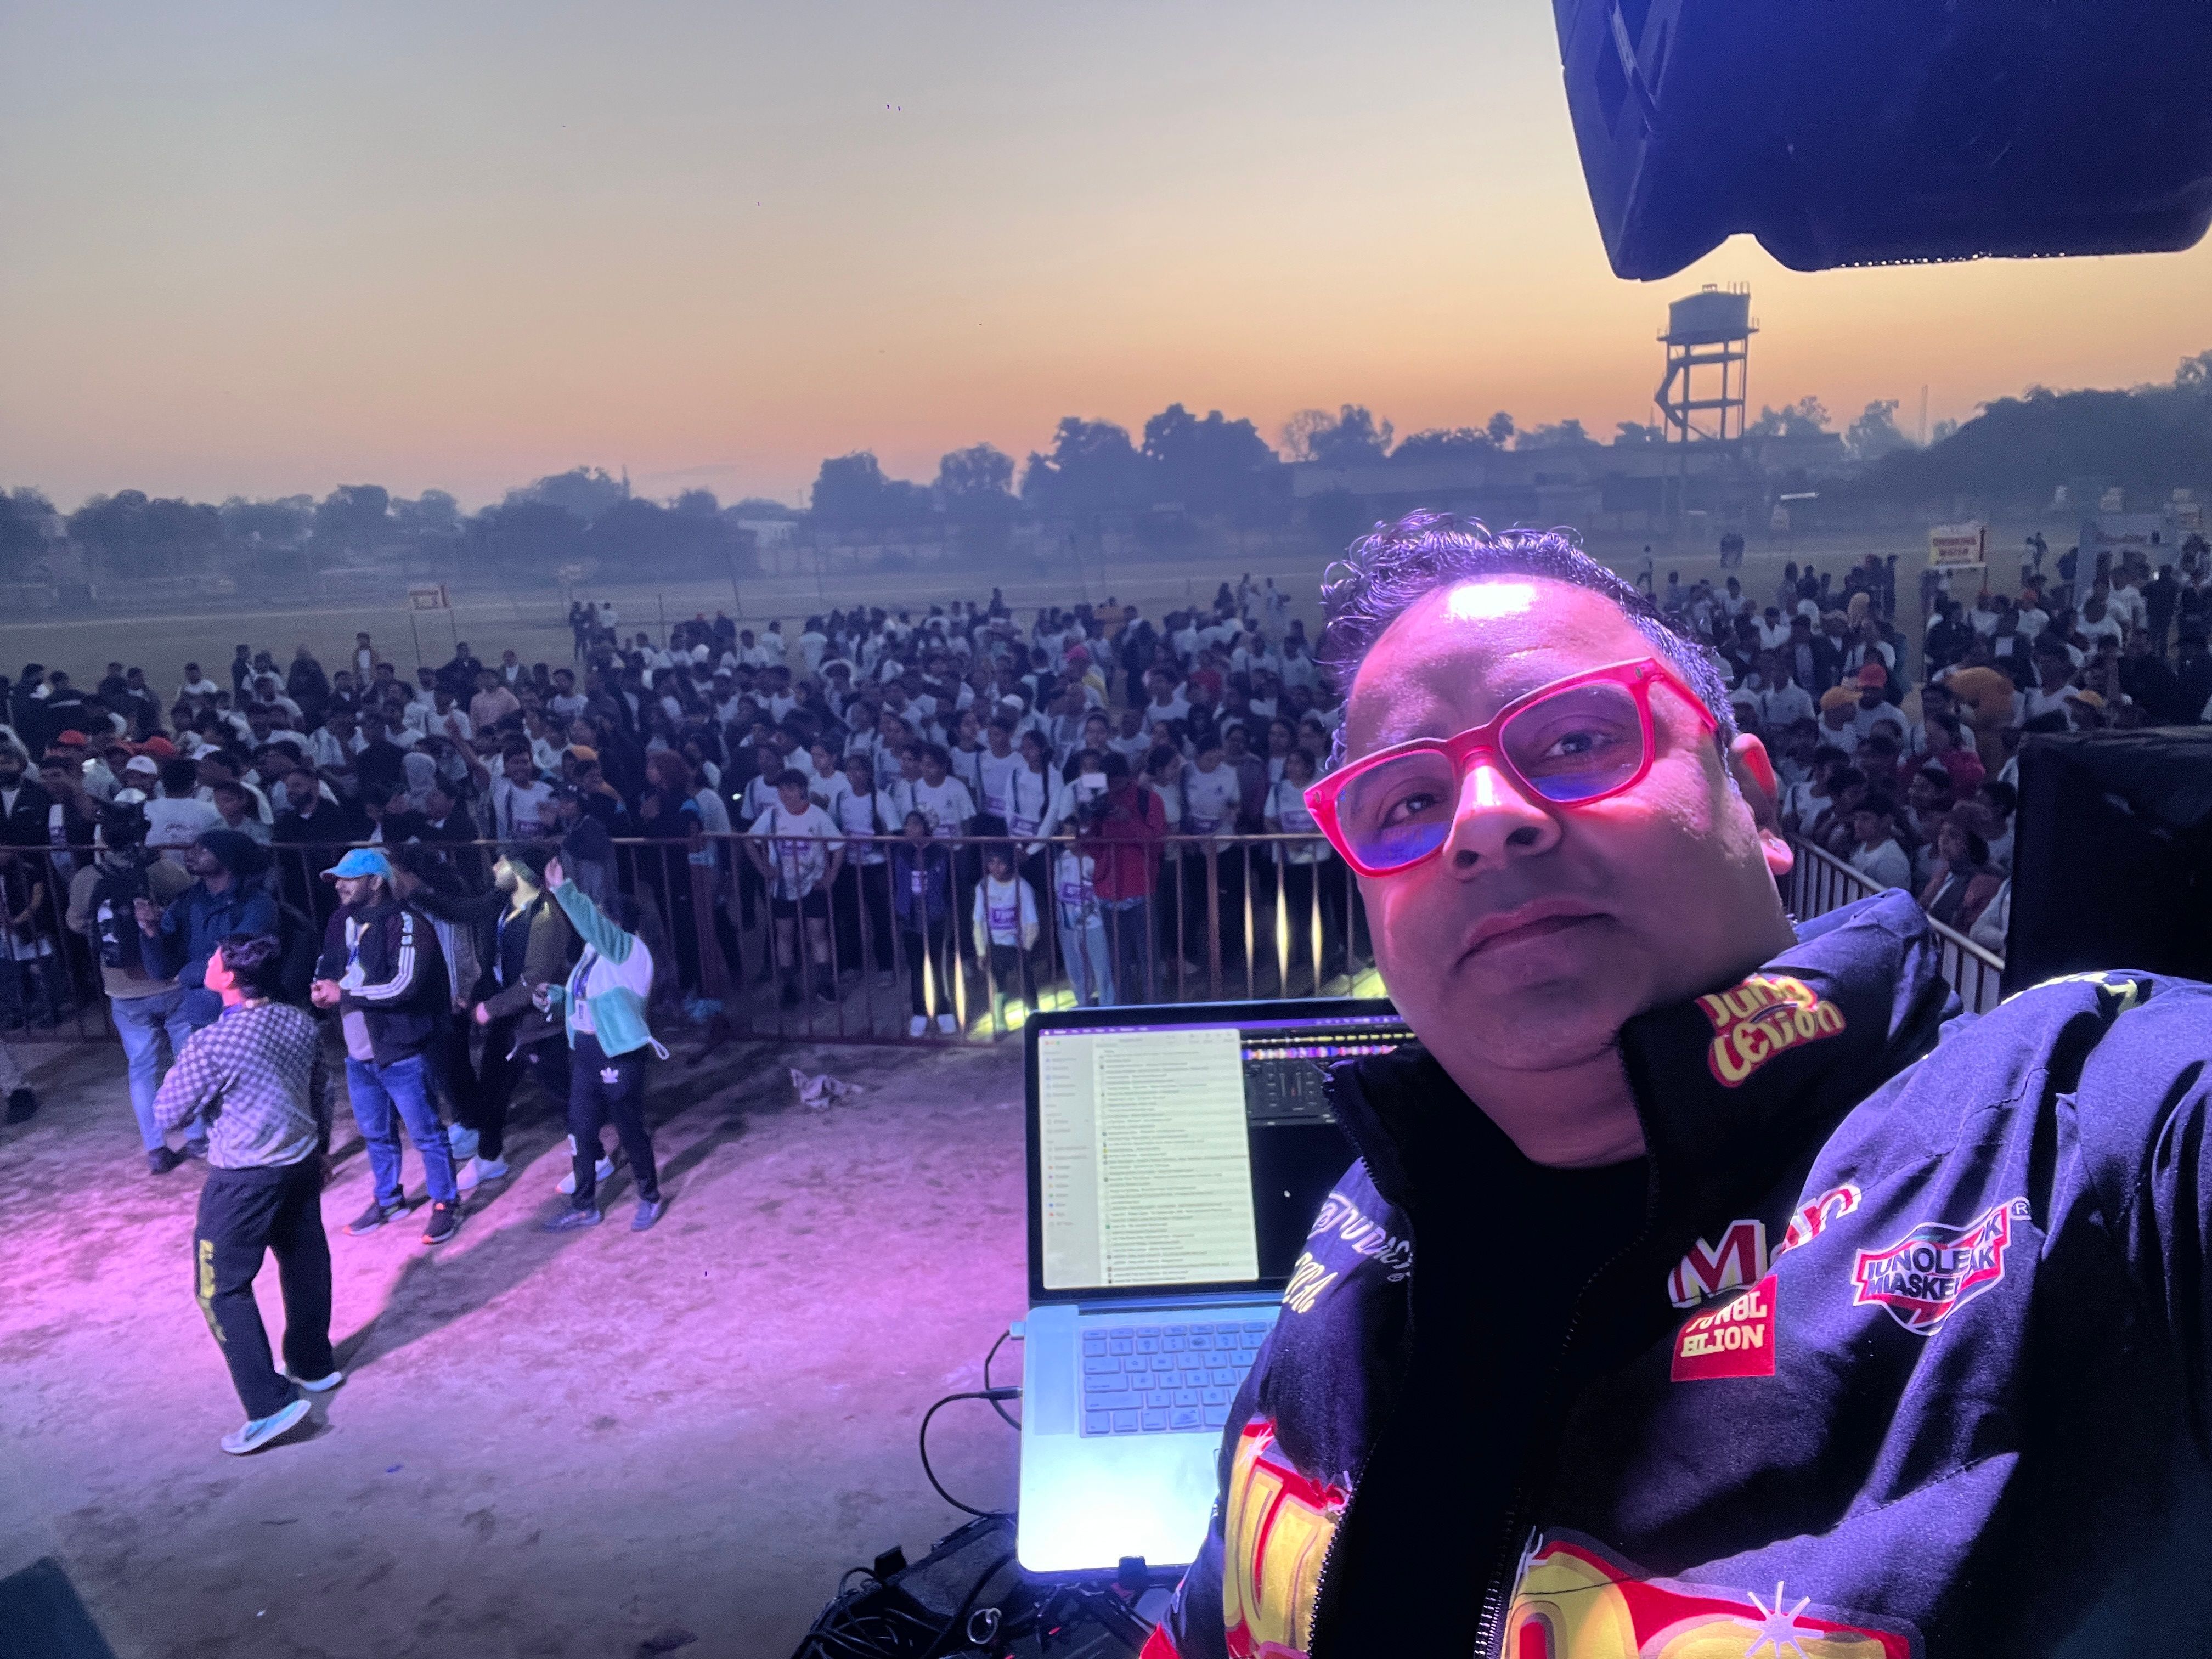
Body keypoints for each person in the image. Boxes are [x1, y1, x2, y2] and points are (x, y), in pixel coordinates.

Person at [1143, 512, 2212, 1659]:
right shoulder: (1372, 1212)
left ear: (1754, 800)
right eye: (1406, 802)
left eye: (1573, 739)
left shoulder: (2086, 1142)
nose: (1485, 822)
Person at [152, 932, 338, 1455]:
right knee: (303, 1262)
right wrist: (322, 1148)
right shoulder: (299, 1022)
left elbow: (168, 1112)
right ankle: (312, 1363)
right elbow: (321, 1090)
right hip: (300, 1162)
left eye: (214, 959)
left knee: (220, 1290)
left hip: (243, 1180)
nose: (208, 962)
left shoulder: (214, 1042)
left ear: (230, 978)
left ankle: (268, 1406)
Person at [395, 842, 575, 1193]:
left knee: (566, 1093)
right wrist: (479, 997)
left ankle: (594, 1156)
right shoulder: (503, 904)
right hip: (510, 1022)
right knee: (493, 1090)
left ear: (519, 869)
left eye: (501, 861)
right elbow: (468, 921)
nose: (494, 868)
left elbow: (533, 980)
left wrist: (488, 1009)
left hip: (539, 1026)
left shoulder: (546, 916)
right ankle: (490, 1157)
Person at [310, 848, 462, 1245]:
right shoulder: (341, 920)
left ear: (376, 882)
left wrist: (343, 993)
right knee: (376, 1134)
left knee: (426, 1133)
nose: (339, 886)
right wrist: (321, 987)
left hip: (402, 1049)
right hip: (358, 1052)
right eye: (337, 879)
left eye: (349, 878)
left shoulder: (408, 924)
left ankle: (446, 1202)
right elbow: (328, 963)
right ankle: (389, 1199)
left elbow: (403, 985)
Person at [535, 856, 667, 1232]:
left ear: (616, 923)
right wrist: (557, 997)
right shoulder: (594, 953)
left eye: (600, 916)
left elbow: (592, 926)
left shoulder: (629, 949)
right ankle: (584, 1206)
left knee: (629, 1129)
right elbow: (589, 997)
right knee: (580, 1131)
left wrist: (563, 891)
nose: (592, 922)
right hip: (587, 1053)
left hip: (618, 1054)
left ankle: (650, 1196)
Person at [68, 801, 196, 1170]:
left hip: (121, 986)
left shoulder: (87, 877)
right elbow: (188, 907)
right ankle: (199, 1135)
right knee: (188, 1060)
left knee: (141, 1068)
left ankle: (156, 1148)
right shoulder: (163, 871)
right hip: (169, 980)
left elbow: (76, 922)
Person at [889, 810, 956, 1036]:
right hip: (910, 916)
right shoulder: (901, 853)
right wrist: (900, 909)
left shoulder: (941, 853)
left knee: (937, 965)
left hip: (935, 914)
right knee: (916, 966)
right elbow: (895, 884)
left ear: (926, 827)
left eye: (915, 825)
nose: (909, 829)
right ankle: (919, 1012)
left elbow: (950, 886)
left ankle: (943, 1010)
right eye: (907, 825)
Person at [970, 844, 1039, 1025]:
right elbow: (978, 921)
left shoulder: (1022, 886)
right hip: (994, 945)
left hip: (1018, 945)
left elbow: (1032, 922)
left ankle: (1036, 1020)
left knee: (1027, 985)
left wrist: (1027, 947)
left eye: (1001, 863)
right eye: (991, 862)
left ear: (1009, 863)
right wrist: (981, 951)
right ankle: (1000, 1023)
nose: (996, 868)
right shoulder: (983, 886)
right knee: (998, 987)